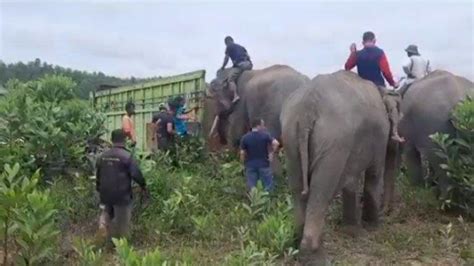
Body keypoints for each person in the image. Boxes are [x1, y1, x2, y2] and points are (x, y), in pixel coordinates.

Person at [344, 31, 404, 143]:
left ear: (362, 42)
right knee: (393, 104)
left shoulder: (358, 54)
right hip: (377, 86)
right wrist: (393, 83)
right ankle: (394, 132)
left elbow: (347, 67)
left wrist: (353, 52)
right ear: (374, 41)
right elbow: (385, 71)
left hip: (361, 85)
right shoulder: (379, 53)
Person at [96, 129, 147, 241]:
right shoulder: (127, 156)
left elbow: (98, 176)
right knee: (123, 221)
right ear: (125, 140)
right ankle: (122, 242)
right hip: (121, 195)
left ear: (111, 140)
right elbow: (136, 174)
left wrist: (99, 189)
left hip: (105, 193)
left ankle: (103, 227)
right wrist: (143, 186)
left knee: (106, 211)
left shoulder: (102, 156)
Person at [240, 118, 280, 192]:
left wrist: (243, 163)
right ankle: (268, 201)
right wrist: (271, 153)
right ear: (258, 126)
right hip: (264, 164)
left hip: (250, 165)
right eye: (262, 125)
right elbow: (276, 143)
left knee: (252, 186)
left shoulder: (245, 137)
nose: (264, 127)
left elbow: (242, 153)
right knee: (268, 186)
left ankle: (255, 201)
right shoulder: (265, 135)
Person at [220, 36, 253, 103]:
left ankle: (235, 96)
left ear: (226, 42)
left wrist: (223, 67)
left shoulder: (229, 47)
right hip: (249, 64)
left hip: (241, 65)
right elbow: (248, 56)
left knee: (230, 79)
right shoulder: (241, 47)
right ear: (233, 40)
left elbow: (226, 59)